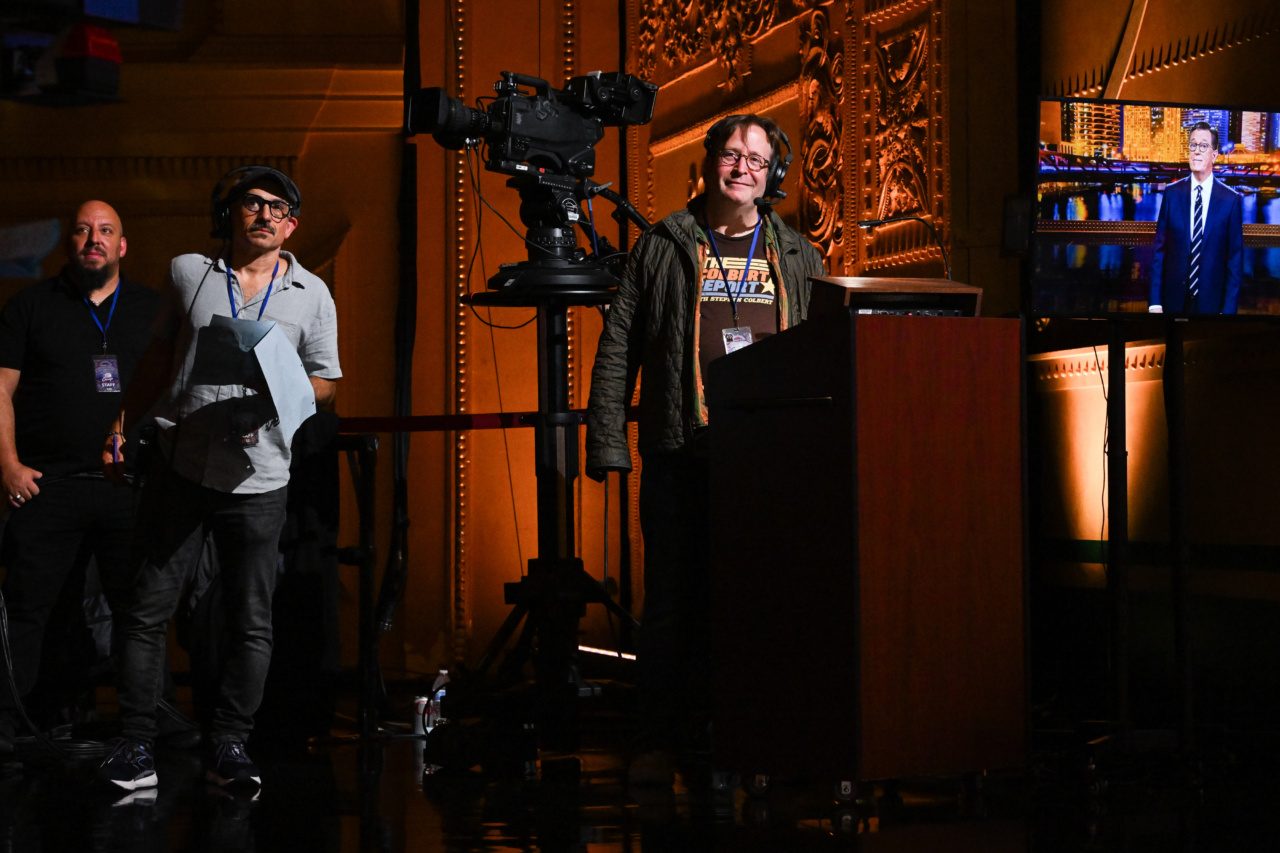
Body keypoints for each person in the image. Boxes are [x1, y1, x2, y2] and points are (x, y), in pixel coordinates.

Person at [584, 114, 825, 785]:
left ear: (773, 172)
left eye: (756, 157)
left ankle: (757, 747)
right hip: (681, 451)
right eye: (730, 153)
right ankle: (659, 746)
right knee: (670, 606)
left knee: (761, 604)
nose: (742, 166)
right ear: (708, 162)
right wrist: (608, 441)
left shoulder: (801, 256)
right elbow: (616, 353)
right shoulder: (661, 245)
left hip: (768, 461)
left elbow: (821, 354)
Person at [96, 166, 341, 792]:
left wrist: (285, 391)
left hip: (260, 477)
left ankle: (231, 743)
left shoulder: (311, 293)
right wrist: (123, 423)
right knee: (147, 611)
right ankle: (136, 744)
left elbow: (329, 381)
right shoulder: (189, 273)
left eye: (277, 207)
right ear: (230, 214)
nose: (263, 214)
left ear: (292, 225)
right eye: (251, 203)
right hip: (182, 464)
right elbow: (157, 355)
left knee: (250, 620)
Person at [0, 201, 163, 758]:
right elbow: (0, 389)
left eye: (106, 231)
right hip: (49, 483)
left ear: (122, 246)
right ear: (67, 242)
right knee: (29, 608)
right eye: (82, 229)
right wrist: (9, 466)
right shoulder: (31, 306)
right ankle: (12, 727)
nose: (93, 238)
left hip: (130, 486)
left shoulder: (151, 308)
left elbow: (175, 390)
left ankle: (140, 728)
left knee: (137, 611)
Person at [1149, 121, 1244, 315]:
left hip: (1212, 305)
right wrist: (1155, 302)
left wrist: (1228, 312)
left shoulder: (1231, 200)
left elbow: (1235, 261)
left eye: (1203, 146)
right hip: (1171, 302)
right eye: (1193, 145)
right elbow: (1160, 251)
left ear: (1214, 155)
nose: (1196, 151)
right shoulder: (1172, 193)